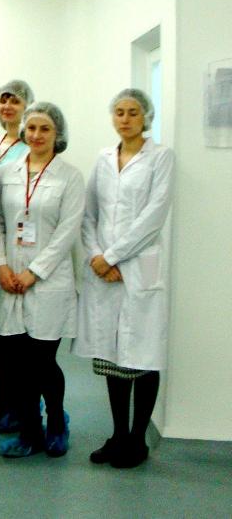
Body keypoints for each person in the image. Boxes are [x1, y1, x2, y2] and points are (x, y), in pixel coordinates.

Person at [73, 88, 175, 469]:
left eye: (133, 112)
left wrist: (112, 256)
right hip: (104, 268)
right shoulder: (103, 159)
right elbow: (88, 214)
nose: (126, 118)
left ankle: (137, 439)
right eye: (119, 112)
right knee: (112, 355)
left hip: (139, 265)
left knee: (144, 353)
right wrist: (96, 256)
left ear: (146, 116)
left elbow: (154, 216)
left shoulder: (161, 157)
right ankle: (117, 435)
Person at [0, 102, 84, 458]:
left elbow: (67, 232)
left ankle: (56, 423)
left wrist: (34, 272)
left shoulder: (70, 177)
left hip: (48, 281)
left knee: (42, 362)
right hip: (9, 278)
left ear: (58, 134)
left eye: (45, 129)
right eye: (32, 128)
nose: (37, 135)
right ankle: (29, 431)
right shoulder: (6, 172)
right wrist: (0, 266)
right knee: (16, 364)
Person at [0, 79, 35, 433]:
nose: (8, 107)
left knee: (25, 337)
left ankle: (25, 404)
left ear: (28, 105)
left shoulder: (35, 146)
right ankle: (4, 399)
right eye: (3, 100)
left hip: (21, 251)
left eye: (15, 101)